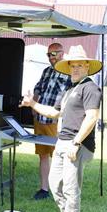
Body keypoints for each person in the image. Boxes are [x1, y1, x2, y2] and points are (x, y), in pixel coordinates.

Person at [19, 45, 102, 212]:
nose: (75, 69)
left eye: (79, 66)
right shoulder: (71, 88)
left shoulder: (90, 88)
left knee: (71, 188)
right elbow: (54, 113)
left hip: (77, 144)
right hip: (62, 142)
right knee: (55, 185)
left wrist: (76, 143)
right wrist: (32, 105)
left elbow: (91, 118)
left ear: (87, 67)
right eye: (72, 66)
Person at [32, 43, 72, 200]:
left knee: (60, 156)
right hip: (40, 119)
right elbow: (38, 88)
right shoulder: (47, 71)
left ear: (62, 53)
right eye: (48, 55)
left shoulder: (70, 72)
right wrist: (34, 106)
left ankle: (61, 190)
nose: (51, 57)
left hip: (57, 121)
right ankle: (44, 189)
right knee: (43, 155)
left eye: (53, 54)